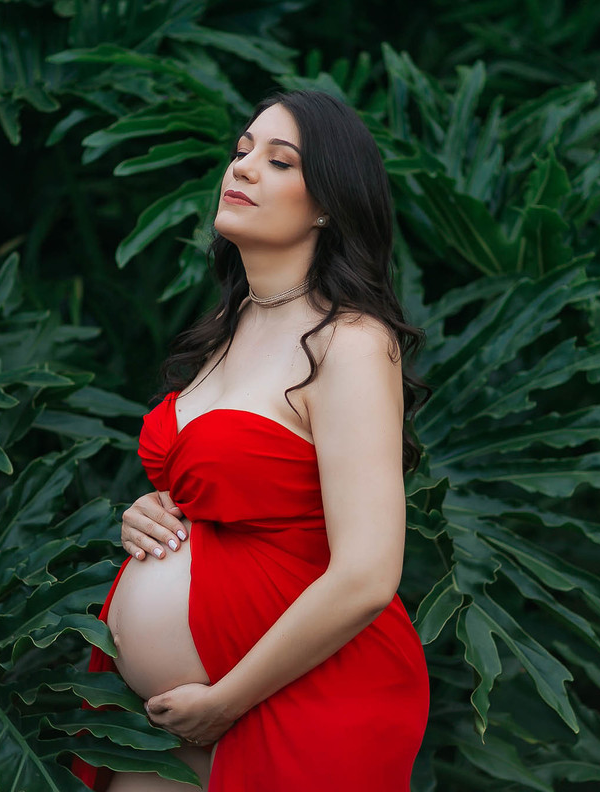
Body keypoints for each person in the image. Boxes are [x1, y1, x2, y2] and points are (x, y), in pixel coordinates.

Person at [72, 90, 431, 791]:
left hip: (301, 698)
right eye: (241, 152)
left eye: (279, 160)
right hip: (175, 715)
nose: (243, 168)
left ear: (328, 203)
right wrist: (154, 511)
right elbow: (247, 490)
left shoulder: (350, 344)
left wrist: (229, 698)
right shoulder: (230, 327)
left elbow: (366, 574)